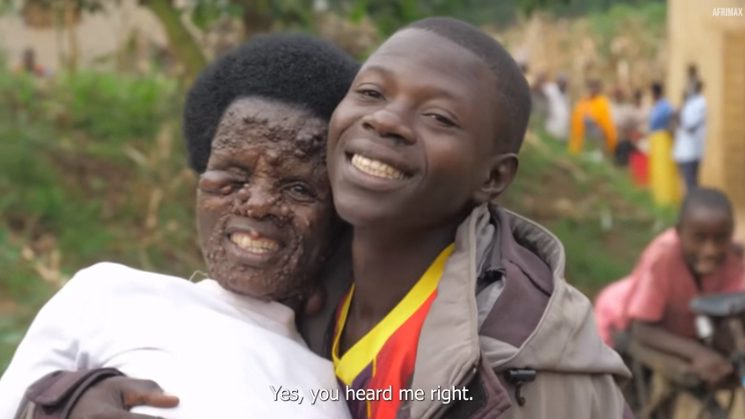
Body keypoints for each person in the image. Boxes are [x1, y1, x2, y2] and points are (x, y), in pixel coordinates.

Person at [15, 18, 633, 419]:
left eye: (439, 118)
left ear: (493, 178)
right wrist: (64, 400)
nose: (387, 120)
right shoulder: (305, 287)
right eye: (371, 93)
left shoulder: (515, 367)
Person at [0, 33, 359, 419]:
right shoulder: (106, 296)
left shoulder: (334, 391)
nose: (257, 204)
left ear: (338, 217)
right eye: (235, 176)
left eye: (299, 188)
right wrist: (59, 406)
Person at [595, 188, 745, 385]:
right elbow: (642, 329)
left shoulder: (733, 257)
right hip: (623, 319)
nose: (711, 250)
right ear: (679, 232)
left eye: (720, 238)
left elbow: (733, 309)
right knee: (627, 389)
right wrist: (698, 353)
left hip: (678, 327)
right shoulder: (663, 258)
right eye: (699, 238)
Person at [647, 81, 681, 206]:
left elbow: (673, 119)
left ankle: (667, 198)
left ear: (655, 93)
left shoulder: (665, 106)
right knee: (658, 170)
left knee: (665, 170)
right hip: (657, 141)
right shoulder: (657, 106)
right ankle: (659, 197)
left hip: (664, 140)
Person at [568, 79, 618, 158]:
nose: (593, 90)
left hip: (597, 137)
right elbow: (576, 120)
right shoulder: (583, 101)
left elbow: (607, 125)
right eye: (591, 87)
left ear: (599, 89)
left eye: (595, 87)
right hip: (582, 137)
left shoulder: (603, 102)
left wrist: (611, 144)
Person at [674, 80, 707, 193]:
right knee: (687, 183)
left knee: (691, 185)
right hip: (684, 151)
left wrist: (678, 115)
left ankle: (693, 202)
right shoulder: (689, 103)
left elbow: (689, 125)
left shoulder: (699, 103)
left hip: (691, 152)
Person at [543, 73, 570, 140]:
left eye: (565, 83)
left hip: (561, 134)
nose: (564, 84)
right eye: (562, 82)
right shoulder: (550, 89)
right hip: (549, 129)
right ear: (558, 81)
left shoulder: (565, 96)